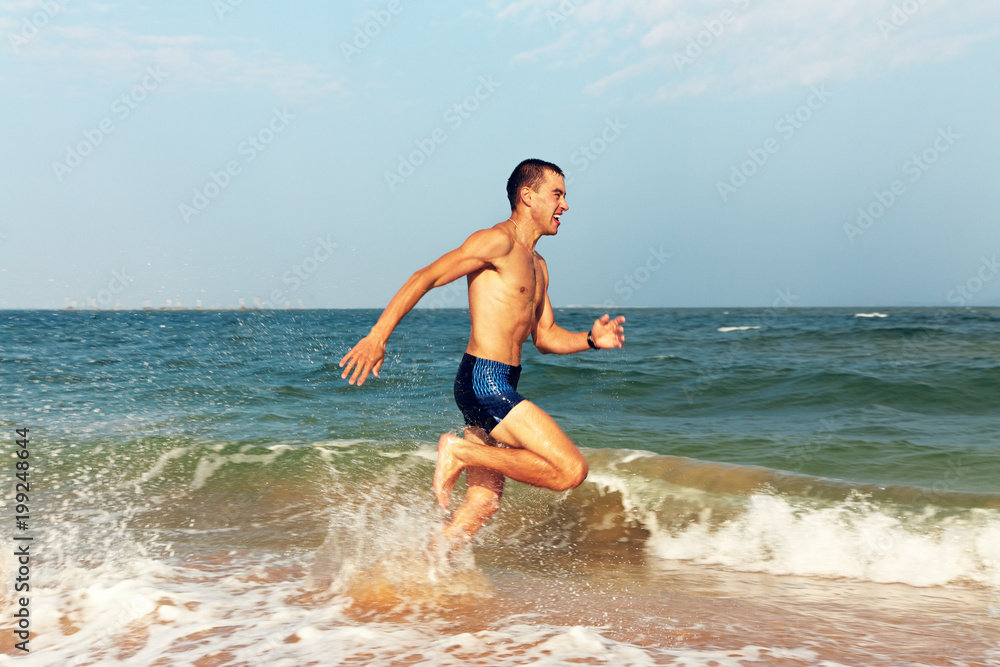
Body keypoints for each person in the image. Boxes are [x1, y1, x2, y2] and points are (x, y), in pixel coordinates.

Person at [339, 158, 625, 553]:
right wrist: (378, 335)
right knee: (570, 470)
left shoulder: (539, 266)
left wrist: (590, 341)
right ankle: (458, 451)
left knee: (483, 503)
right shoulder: (497, 242)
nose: (565, 205)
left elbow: (545, 337)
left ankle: (428, 574)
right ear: (528, 196)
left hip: (501, 383)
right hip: (483, 380)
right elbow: (426, 277)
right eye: (557, 195)